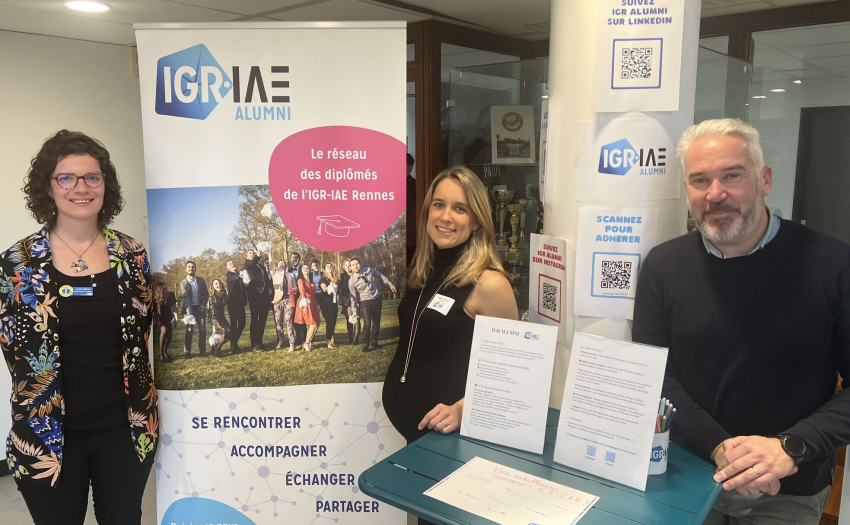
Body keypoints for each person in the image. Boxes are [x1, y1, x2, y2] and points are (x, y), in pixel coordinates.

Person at [632, 118, 850, 525]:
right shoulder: (663, 265)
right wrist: (719, 448)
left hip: (786, 485)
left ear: (764, 180)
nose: (716, 193)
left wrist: (790, 447)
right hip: (684, 472)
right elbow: (652, 373)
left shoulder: (833, 263)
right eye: (700, 180)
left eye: (732, 175)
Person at [0, 130, 157, 524]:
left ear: (106, 184)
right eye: (66, 178)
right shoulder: (17, 263)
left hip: (126, 429)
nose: (81, 188)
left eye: (92, 177)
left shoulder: (133, 255)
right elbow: (12, 347)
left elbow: (142, 332)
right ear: (48, 187)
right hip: (45, 434)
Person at [383, 166, 517, 448]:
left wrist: (461, 410)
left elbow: (511, 372)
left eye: (460, 209)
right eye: (439, 205)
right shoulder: (423, 271)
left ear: (477, 221)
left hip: (452, 440)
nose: (445, 216)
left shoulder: (490, 284)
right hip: (414, 438)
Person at [349, 258, 397, 353]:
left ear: (360, 264)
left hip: (376, 299)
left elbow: (380, 275)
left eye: (357, 263)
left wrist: (389, 283)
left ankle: (374, 342)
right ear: (350, 267)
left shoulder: (368, 270)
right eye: (353, 265)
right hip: (365, 302)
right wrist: (354, 310)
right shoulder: (351, 281)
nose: (355, 266)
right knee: (367, 324)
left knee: (376, 322)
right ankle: (365, 344)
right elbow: (353, 297)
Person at [244, 247, 273, 352]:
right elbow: (252, 264)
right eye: (250, 253)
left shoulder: (260, 266)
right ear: (247, 256)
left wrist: (269, 287)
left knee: (262, 320)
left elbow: (265, 278)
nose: (252, 254)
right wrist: (259, 255)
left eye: (253, 253)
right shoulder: (248, 264)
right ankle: (254, 344)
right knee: (255, 320)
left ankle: (260, 342)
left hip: (263, 296)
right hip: (254, 296)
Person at [180, 260, 209, 357]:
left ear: (195, 269)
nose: (191, 268)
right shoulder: (183, 283)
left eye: (193, 267)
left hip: (200, 308)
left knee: (203, 330)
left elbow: (206, 295)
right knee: (189, 330)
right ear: (185, 269)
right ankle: (187, 352)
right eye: (189, 267)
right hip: (189, 309)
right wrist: (189, 313)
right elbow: (187, 298)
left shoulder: (201, 280)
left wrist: (203, 304)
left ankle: (202, 351)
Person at [271, 260, 298, 352]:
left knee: (288, 321)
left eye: (283, 263)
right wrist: (269, 253)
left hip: (288, 300)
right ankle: (280, 340)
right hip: (277, 301)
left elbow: (295, 287)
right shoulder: (275, 274)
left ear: (286, 266)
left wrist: (293, 290)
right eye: (280, 263)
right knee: (278, 322)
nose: (281, 264)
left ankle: (292, 343)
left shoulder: (291, 275)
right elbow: (271, 264)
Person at [295, 263, 321, 352]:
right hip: (305, 302)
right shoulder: (300, 280)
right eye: (304, 268)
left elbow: (313, 293)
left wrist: (317, 305)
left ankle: (308, 341)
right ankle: (306, 343)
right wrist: (303, 298)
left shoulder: (311, 280)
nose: (306, 269)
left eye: (307, 268)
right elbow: (301, 289)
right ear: (301, 271)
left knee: (317, 323)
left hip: (313, 302)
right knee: (313, 324)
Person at [153, 281, 178, 362]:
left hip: (168, 316)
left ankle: (165, 351)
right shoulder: (155, 300)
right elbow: (154, 312)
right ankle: (161, 354)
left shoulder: (171, 295)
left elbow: (174, 307)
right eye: (164, 289)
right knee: (164, 330)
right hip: (160, 317)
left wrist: (176, 318)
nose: (166, 290)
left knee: (169, 334)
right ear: (159, 290)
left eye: (166, 288)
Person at [225, 258, 246, 353]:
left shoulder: (240, 274)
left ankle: (234, 342)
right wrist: (239, 276)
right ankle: (233, 345)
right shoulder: (230, 274)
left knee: (242, 324)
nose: (232, 264)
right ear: (228, 267)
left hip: (240, 303)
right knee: (233, 324)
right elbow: (232, 279)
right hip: (232, 303)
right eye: (230, 264)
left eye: (233, 262)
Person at [318, 262, 341, 348]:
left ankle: (332, 337)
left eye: (330, 266)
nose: (329, 267)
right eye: (327, 266)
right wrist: (331, 287)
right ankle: (329, 340)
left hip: (334, 302)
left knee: (333, 321)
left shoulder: (337, 279)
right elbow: (324, 289)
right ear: (324, 269)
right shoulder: (323, 279)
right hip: (326, 303)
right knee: (329, 321)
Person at [207, 278, 230, 357]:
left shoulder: (224, 295)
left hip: (222, 317)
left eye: (219, 283)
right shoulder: (212, 297)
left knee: (230, 334)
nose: (218, 285)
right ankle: (217, 350)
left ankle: (215, 348)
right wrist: (214, 329)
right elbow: (212, 312)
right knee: (227, 330)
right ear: (213, 287)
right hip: (213, 318)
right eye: (216, 284)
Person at [289, 251, 308, 347]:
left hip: (302, 296)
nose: (294, 259)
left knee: (302, 318)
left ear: (299, 259)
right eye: (293, 257)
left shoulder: (303, 269)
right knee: (294, 319)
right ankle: (299, 338)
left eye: (296, 257)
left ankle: (305, 338)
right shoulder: (289, 270)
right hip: (293, 297)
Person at [339, 258, 360, 345]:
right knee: (349, 320)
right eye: (346, 265)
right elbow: (341, 290)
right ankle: (350, 338)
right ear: (343, 267)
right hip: (346, 300)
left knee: (356, 318)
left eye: (349, 265)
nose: (347, 267)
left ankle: (356, 338)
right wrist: (345, 303)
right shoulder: (342, 276)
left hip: (356, 299)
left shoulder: (356, 275)